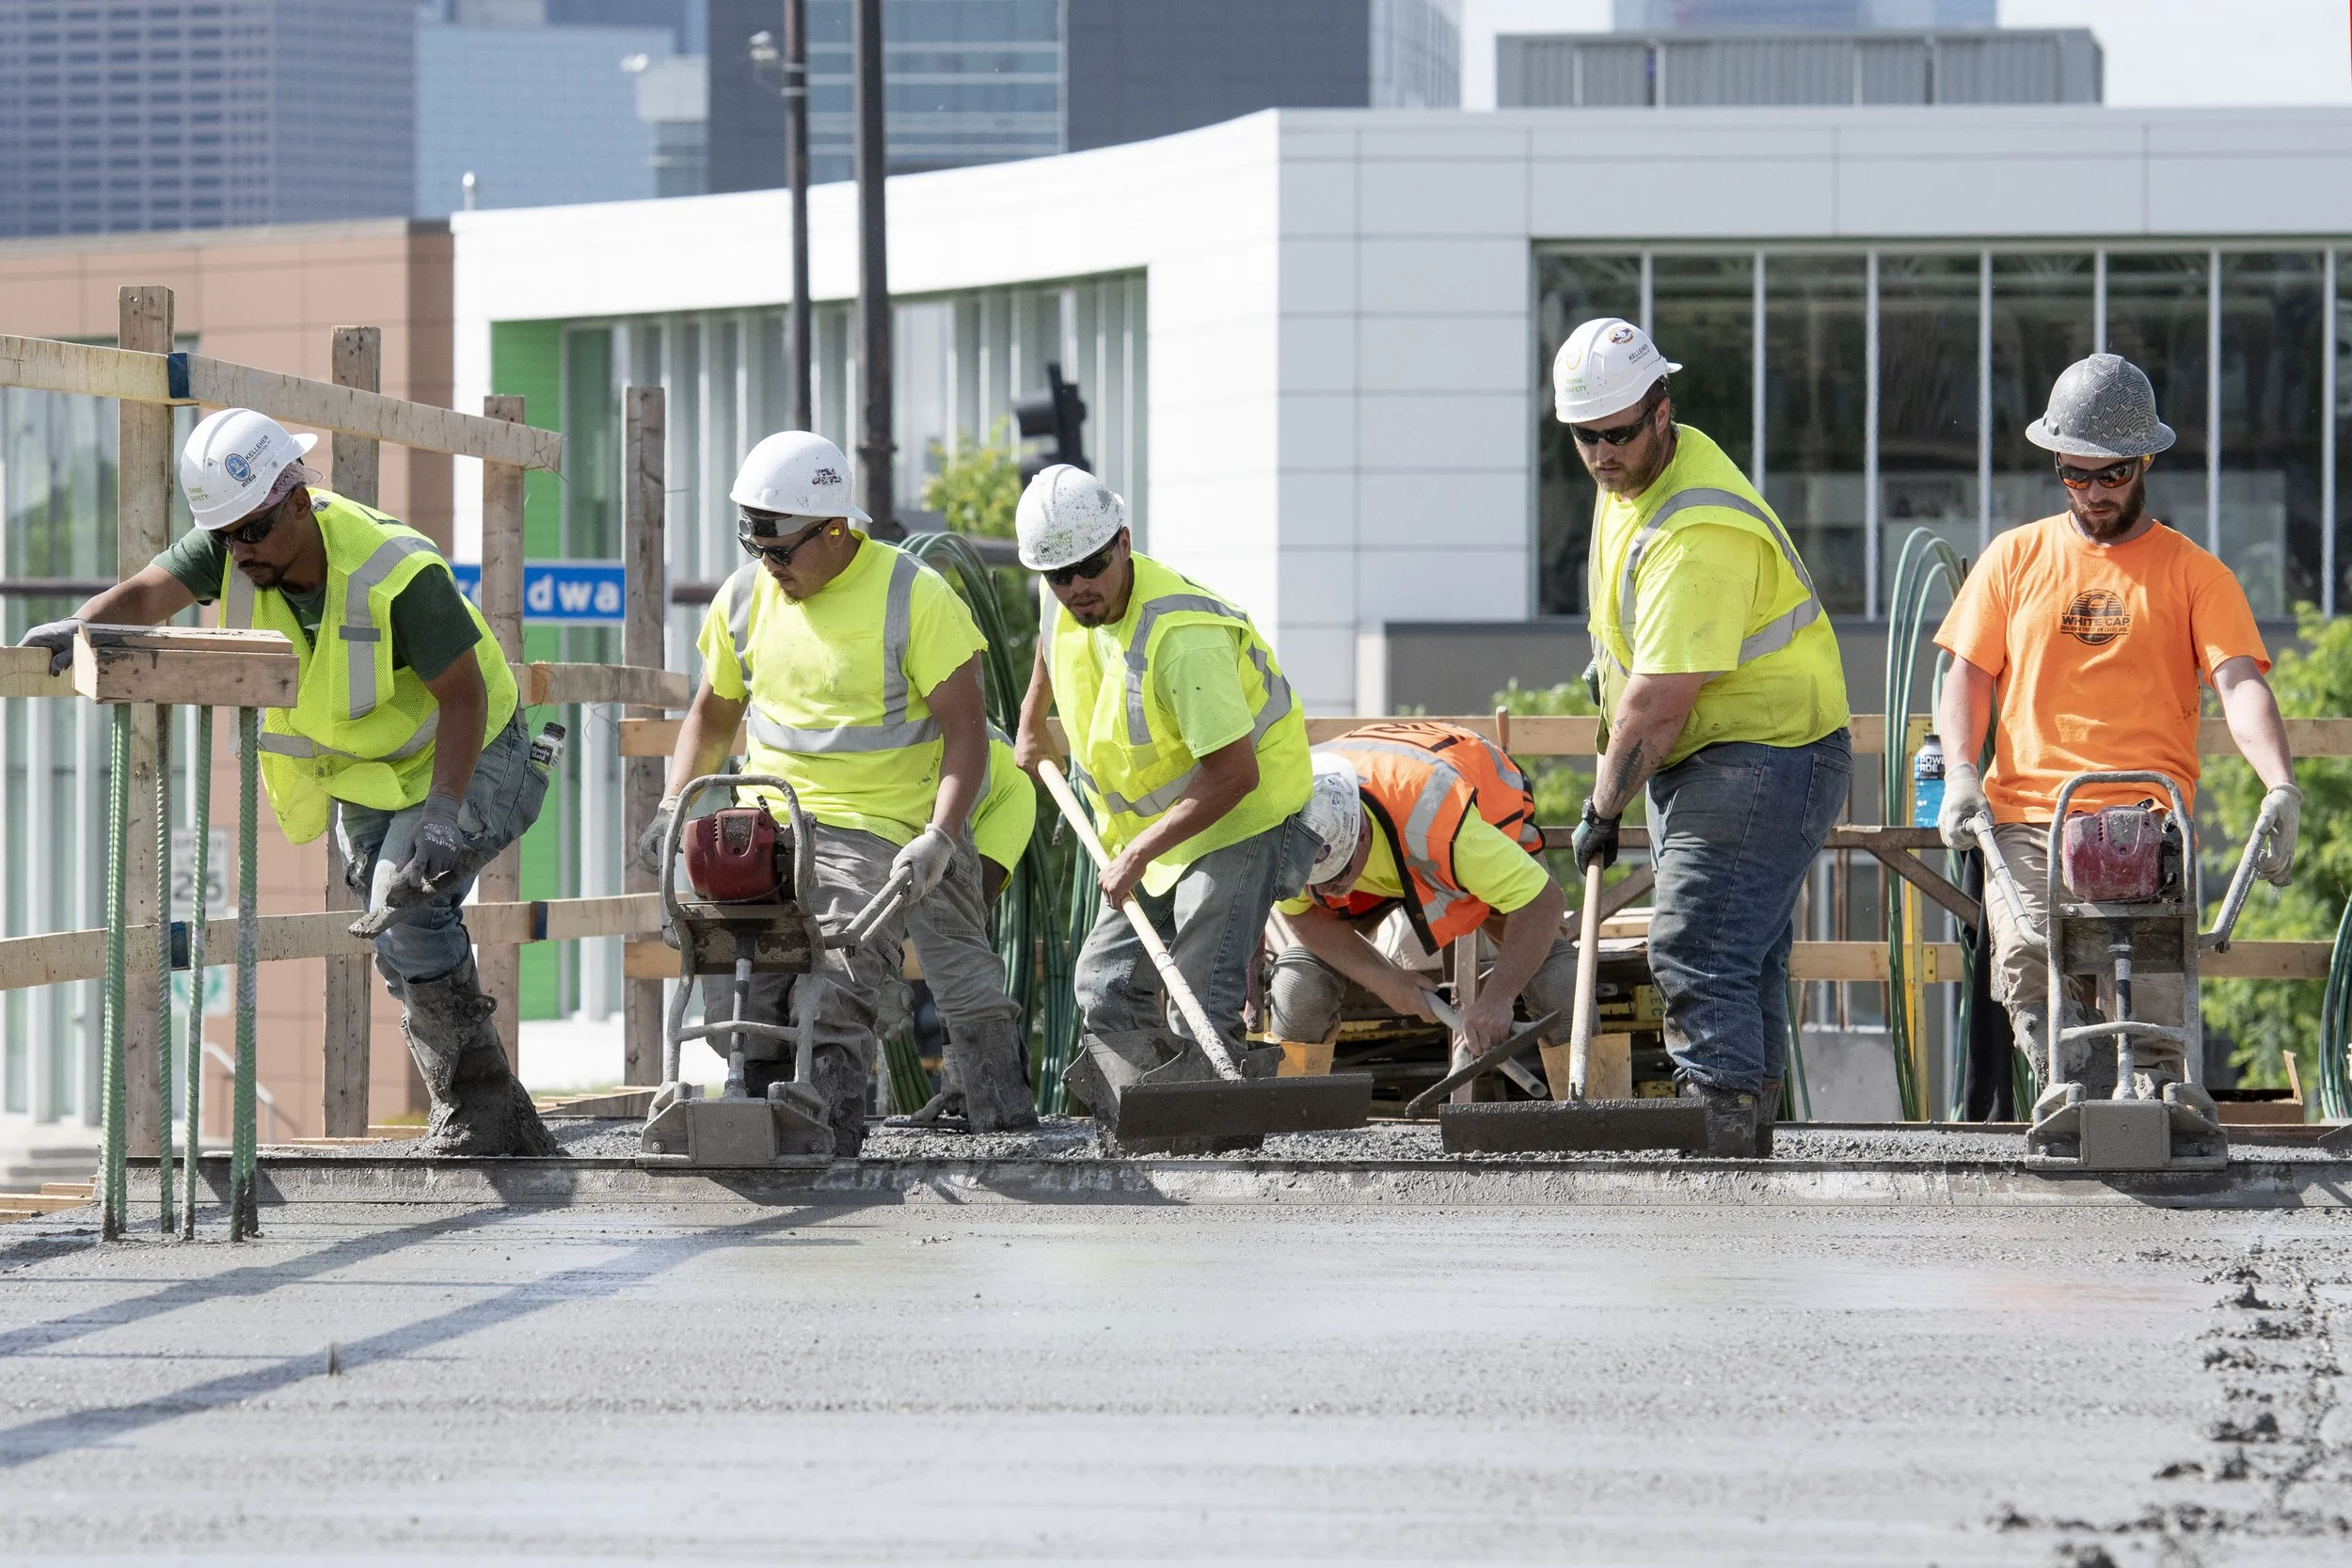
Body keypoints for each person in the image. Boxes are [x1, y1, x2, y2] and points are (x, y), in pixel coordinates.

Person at [17, 408, 558, 1156]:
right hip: (372, 773)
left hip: (473, 749)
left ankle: (482, 1109)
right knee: (395, 928)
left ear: (299, 500)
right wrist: (79, 625)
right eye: (228, 535)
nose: (241, 552)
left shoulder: (397, 572)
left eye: (255, 531)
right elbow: (145, 594)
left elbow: (463, 697)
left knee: (409, 911)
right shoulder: (233, 540)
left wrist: (441, 815)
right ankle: (490, 1110)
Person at [1932, 353, 2298, 1134]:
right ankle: (2074, 1086)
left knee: (2157, 975)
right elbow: (1965, 676)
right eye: (2076, 475)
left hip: (2145, 820)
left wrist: (2279, 784)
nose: (2094, 493)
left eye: (2113, 474)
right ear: (2056, 463)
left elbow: (2239, 683)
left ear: (2147, 462)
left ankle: (2163, 1095)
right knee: (2032, 953)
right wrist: (1963, 771)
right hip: (2030, 813)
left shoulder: (2193, 573)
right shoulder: (2013, 559)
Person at [640, 431, 1034, 1155]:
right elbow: (713, 713)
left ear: (835, 528)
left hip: (894, 825)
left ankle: (993, 1124)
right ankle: (759, 1119)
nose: (768, 564)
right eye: (755, 546)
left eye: (782, 550)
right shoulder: (743, 600)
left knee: (846, 977)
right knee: (741, 970)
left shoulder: (915, 598)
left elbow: (967, 735)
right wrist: (674, 806)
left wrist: (943, 836)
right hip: (775, 822)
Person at [1556, 317, 1852, 1157]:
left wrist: (1603, 804)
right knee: (1739, 955)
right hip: (1727, 749)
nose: (1602, 454)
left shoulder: (1697, 528)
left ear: (1662, 411)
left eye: (1617, 434)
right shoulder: (1633, 480)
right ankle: (1747, 1138)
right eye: (1584, 437)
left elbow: (1657, 705)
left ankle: (1719, 1145)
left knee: (1693, 943)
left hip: (1764, 750)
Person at [1010, 464, 1325, 1095]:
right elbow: (1051, 631)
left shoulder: (1184, 639)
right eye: (1059, 574)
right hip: (1156, 832)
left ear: (1123, 542)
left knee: (1197, 992)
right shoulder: (1065, 593)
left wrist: (1137, 852)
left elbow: (1235, 773)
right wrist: (1030, 718)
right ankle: (1153, 1119)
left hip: (1244, 812)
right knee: (1103, 983)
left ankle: (1218, 1137)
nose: (1078, 588)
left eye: (1092, 567)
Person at [1266, 724, 1571, 1070]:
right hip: (1398, 827)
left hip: (1476, 819)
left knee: (1559, 981)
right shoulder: (1289, 816)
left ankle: (1594, 1108)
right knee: (1299, 987)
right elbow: (1300, 912)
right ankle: (1289, 1117)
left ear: (1362, 834)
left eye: (1336, 875)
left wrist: (1498, 998)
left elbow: (1543, 903)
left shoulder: (1446, 829)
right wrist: (1383, 980)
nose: (1323, 891)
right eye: (1314, 880)